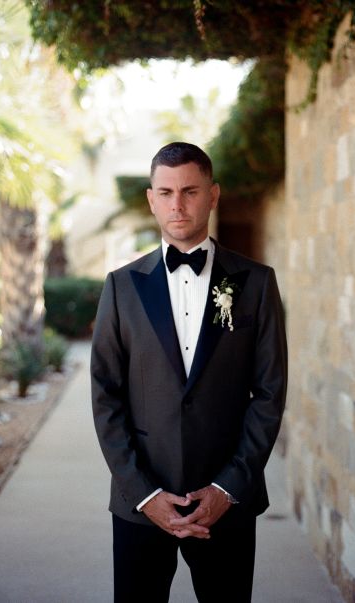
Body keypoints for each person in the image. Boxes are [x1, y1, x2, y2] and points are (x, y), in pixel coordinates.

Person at [91, 141, 288, 603]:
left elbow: (270, 392)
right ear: (151, 199)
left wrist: (227, 487)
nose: (177, 204)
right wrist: (143, 494)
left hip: (226, 503)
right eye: (166, 192)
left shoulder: (255, 283)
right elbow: (105, 396)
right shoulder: (121, 286)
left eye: (190, 191)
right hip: (141, 503)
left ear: (213, 195)